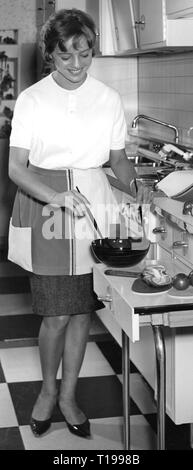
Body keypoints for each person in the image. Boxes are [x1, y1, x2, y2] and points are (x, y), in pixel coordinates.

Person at [8, 8, 141, 439]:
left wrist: (135, 187)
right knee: (57, 315)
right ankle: (47, 393)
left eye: (85, 54)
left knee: (83, 311)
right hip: (49, 209)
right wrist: (56, 196)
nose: (77, 65)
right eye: (66, 57)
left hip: (94, 209)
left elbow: (117, 159)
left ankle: (68, 396)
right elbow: (16, 168)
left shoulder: (107, 98)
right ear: (50, 56)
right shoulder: (31, 99)